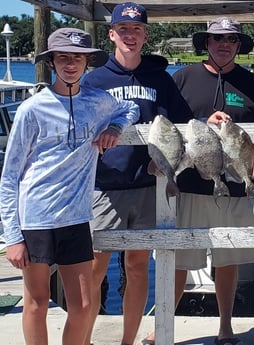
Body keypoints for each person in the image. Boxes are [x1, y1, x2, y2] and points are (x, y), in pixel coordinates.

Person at [0, 28, 139, 345]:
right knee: (36, 302)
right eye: (63, 57)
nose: (70, 64)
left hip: (76, 218)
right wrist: (12, 236)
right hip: (36, 219)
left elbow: (129, 108)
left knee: (84, 304)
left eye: (77, 58)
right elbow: (9, 176)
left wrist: (115, 127)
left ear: (87, 62)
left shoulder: (97, 102)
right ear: (51, 62)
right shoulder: (31, 109)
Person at [138, 16, 254, 345]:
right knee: (179, 261)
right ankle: (162, 324)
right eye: (216, 39)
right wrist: (201, 122)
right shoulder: (182, 78)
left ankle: (225, 326)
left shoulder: (253, 84)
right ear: (206, 43)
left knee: (228, 262)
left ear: (239, 45)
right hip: (190, 186)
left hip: (238, 188)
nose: (223, 44)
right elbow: (163, 126)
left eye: (231, 39)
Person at [81, 2, 192, 345]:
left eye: (137, 30)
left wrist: (209, 122)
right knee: (95, 268)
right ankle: (82, 337)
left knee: (138, 266)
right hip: (104, 187)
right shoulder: (94, 79)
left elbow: (183, 122)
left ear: (145, 35)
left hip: (149, 185)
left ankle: (129, 340)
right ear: (112, 34)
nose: (130, 36)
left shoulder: (160, 79)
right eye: (123, 30)